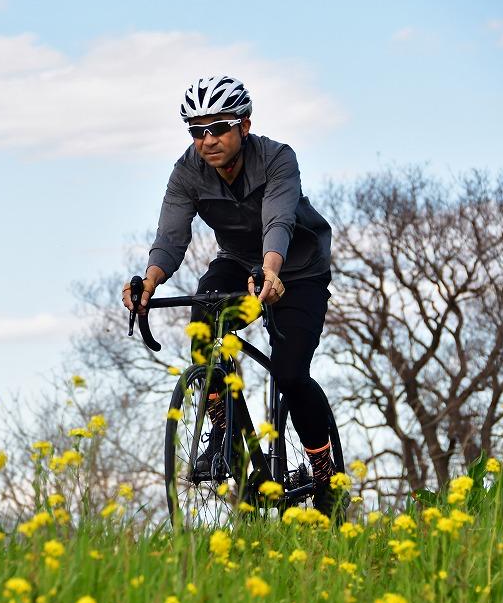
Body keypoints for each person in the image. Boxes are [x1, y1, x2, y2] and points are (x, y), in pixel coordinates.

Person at [121, 75, 346, 517]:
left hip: (296, 272)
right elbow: (170, 234)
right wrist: (148, 283)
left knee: (290, 375)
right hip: (239, 265)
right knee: (203, 327)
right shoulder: (187, 172)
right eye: (196, 130)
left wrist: (271, 271)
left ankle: (326, 476)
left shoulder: (278, 158)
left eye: (219, 127)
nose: (208, 140)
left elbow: (278, 221)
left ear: (244, 126)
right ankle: (225, 440)